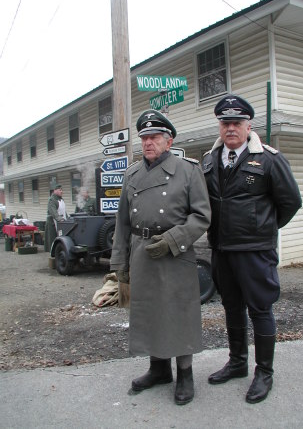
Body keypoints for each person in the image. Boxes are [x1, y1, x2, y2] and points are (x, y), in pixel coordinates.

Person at [202, 94, 302, 404]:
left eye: (237, 123)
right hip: (222, 249)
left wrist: (263, 228)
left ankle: (265, 372)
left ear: (248, 126)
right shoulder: (209, 160)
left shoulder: (270, 159)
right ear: (220, 126)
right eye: (225, 123)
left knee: (260, 309)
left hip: (255, 251)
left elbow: (290, 202)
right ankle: (237, 363)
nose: (230, 128)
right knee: (232, 307)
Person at [110, 109, 211, 405]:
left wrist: (173, 240)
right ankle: (158, 370)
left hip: (175, 253)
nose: (147, 143)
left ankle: (185, 374)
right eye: (144, 137)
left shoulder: (188, 171)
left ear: (169, 141)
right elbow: (122, 223)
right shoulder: (132, 174)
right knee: (149, 310)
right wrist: (119, 263)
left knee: (178, 312)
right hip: (142, 252)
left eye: (154, 137)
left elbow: (202, 216)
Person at [44, 184, 68, 252]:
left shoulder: (61, 199)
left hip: (61, 222)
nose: (61, 191)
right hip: (52, 223)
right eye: (60, 190)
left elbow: (64, 212)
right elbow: (53, 212)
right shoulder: (52, 200)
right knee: (53, 240)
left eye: (61, 190)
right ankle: (53, 254)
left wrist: (68, 218)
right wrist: (59, 219)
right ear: (55, 191)